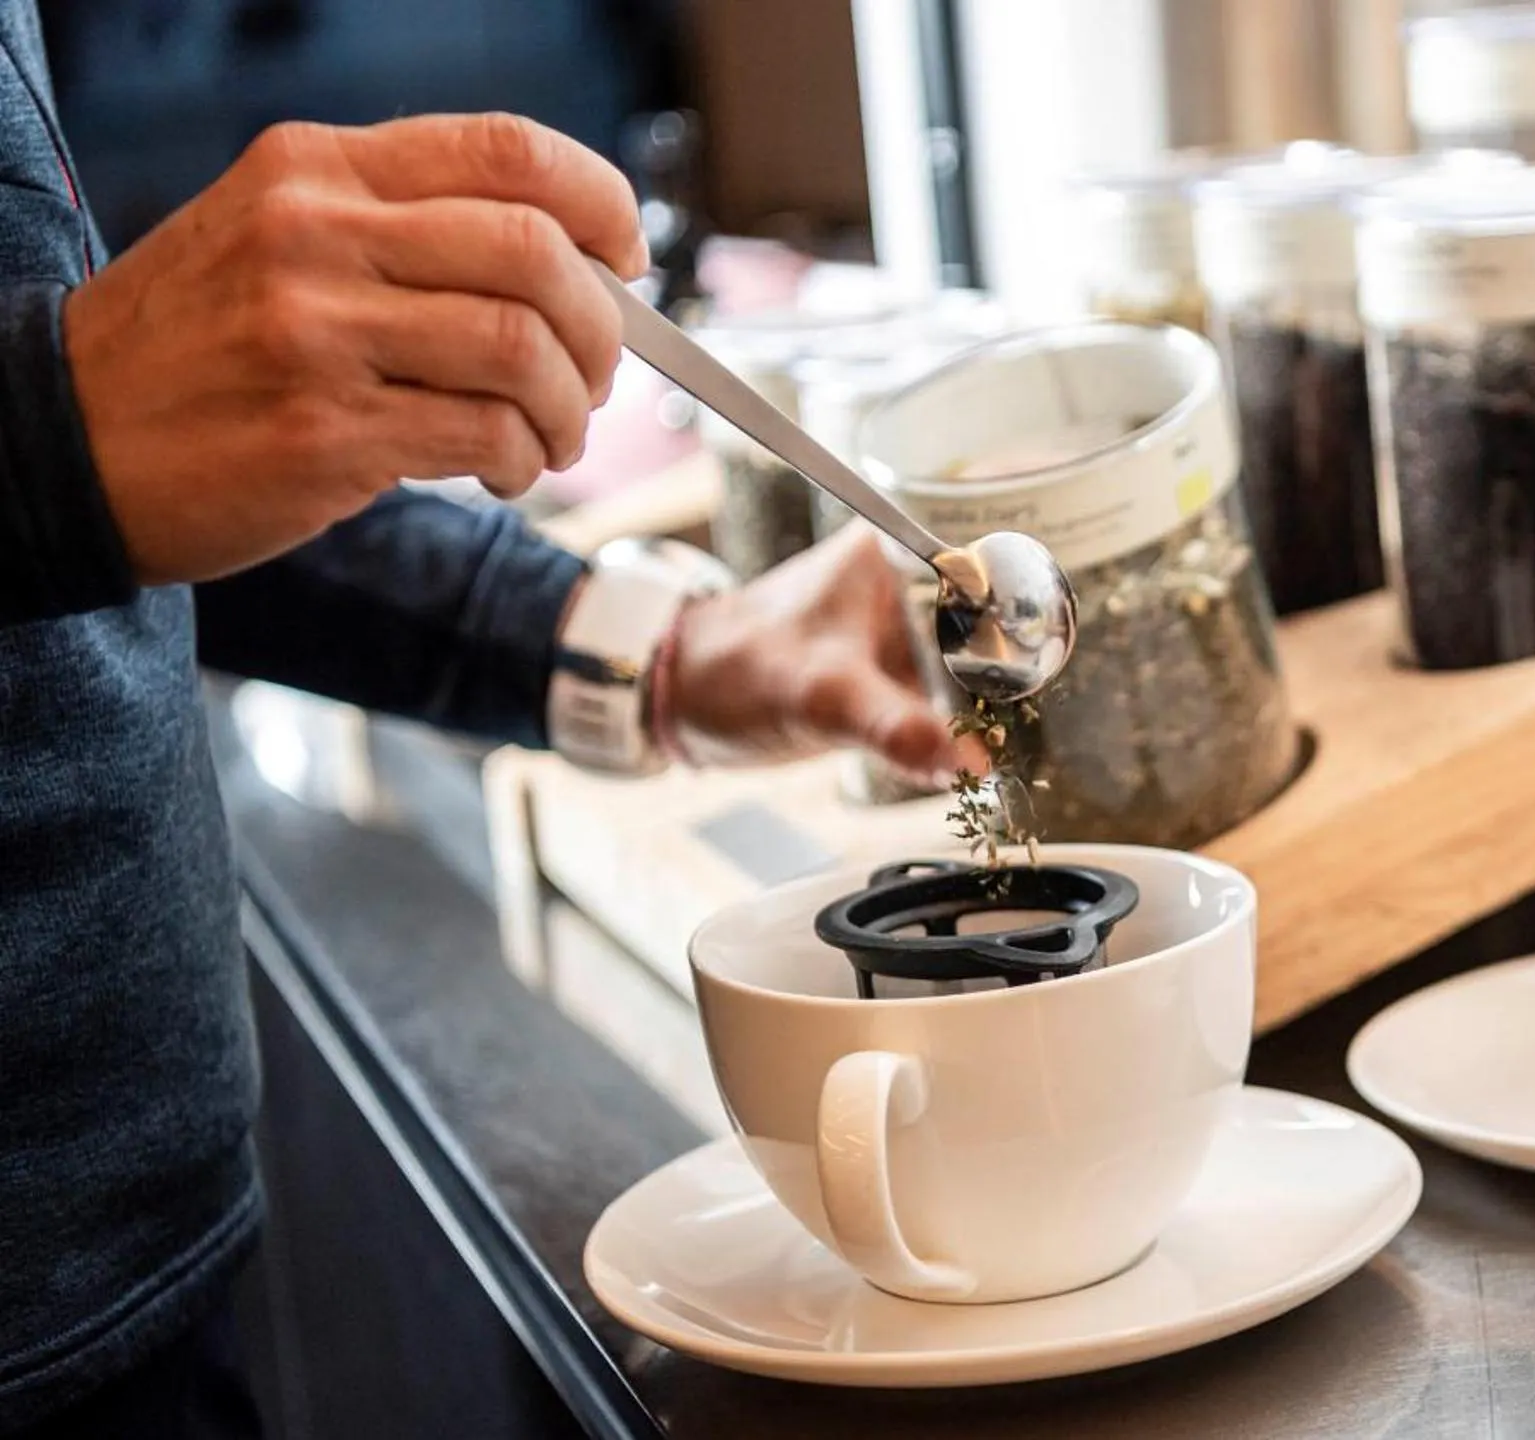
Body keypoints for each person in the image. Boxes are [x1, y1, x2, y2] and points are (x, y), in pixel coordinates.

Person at [0, 9, 969, 1436]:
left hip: (146, 1251)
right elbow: (85, 426)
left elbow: (150, 466)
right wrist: (51, 423)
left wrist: (648, 653)